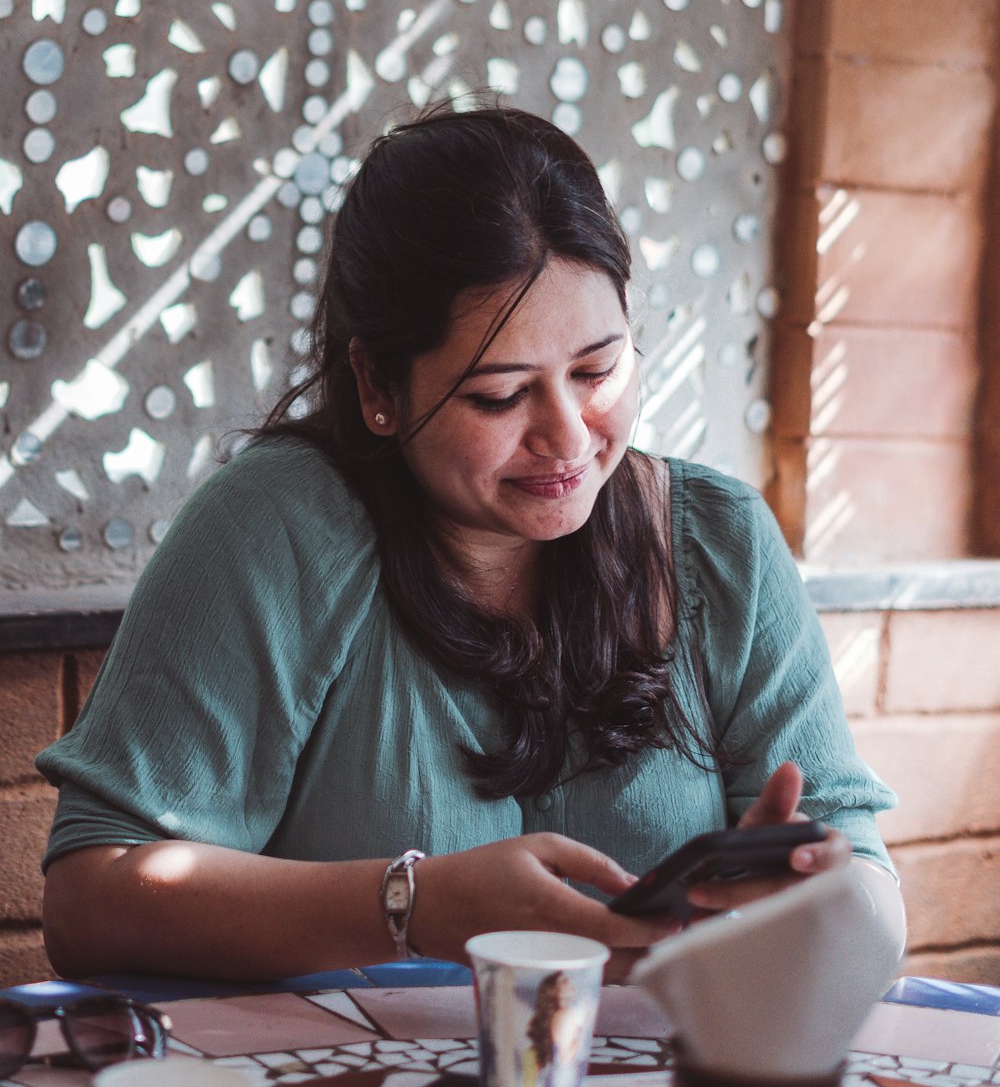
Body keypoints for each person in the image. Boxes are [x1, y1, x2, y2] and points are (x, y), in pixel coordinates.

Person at [37, 101, 905, 983]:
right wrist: (414, 908)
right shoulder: (277, 528)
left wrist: (822, 904)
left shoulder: (722, 543)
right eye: (500, 396)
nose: (568, 438)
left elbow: (867, 891)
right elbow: (90, 901)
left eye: (598, 371)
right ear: (377, 381)